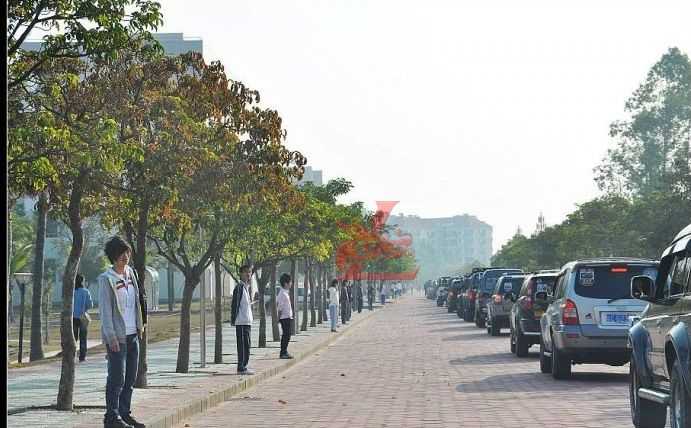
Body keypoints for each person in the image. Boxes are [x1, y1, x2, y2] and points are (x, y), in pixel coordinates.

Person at [98, 236, 146, 428]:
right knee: (116, 378)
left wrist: (140, 325)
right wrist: (111, 337)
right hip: (117, 337)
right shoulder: (106, 279)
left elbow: (137, 301)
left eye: (127, 252)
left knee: (130, 379)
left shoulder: (131, 273)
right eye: (120, 253)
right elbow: (105, 311)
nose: (125, 256)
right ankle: (112, 416)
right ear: (113, 256)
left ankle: (125, 414)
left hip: (133, 334)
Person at [231, 264, 254, 375]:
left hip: (247, 322)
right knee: (242, 346)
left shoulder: (246, 288)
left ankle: (244, 366)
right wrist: (233, 320)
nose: (248, 274)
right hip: (241, 322)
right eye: (246, 272)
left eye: (249, 272)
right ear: (241, 274)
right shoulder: (239, 288)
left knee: (247, 345)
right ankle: (241, 367)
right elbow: (235, 305)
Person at [73, 274, 93, 362]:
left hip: (73, 318)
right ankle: (82, 356)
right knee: (83, 338)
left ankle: (72, 355)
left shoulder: (72, 292)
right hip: (82, 318)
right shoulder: (85, 291)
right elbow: (90, 305)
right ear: (82, 281)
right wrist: (84, 308)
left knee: (73, 338)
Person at [277, 273, 294, 359]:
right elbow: (280, 308)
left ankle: (285, 351)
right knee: (286, 335)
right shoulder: (282, 294)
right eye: (290, 282)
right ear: (285, 283)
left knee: (287, 335)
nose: (291, 284)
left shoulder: (285, 293)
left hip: (288, 317)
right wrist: (278, 318)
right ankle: (283, 352)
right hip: (284, 318)